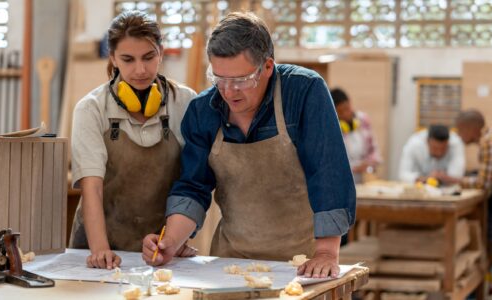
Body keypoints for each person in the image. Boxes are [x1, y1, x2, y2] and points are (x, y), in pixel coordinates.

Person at [142, 12, 356, 278]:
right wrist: (170, 242)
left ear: (267, 67)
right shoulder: (203, 111)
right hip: (232, 259)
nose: (229, 92)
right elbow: (193, 186)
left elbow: (328, 174)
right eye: (220, 79)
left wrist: (326, 254)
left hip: (303, 262)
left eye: (241, 81)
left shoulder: (303, 93)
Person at [69, 11, 197, 269]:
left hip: (157, 250)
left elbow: (192, 182)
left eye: (149, 57)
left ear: (160, 53)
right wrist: (100, 250)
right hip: (98, 244)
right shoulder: (91, 109)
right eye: (128, 59)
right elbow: (92, 187)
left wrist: (175, 238)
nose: (140, 70)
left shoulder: (185, 103)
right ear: (113, 58)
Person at [434, 109, 492, 241]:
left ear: (471, 129)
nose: (459, 135)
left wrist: (449, 179)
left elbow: (484, 184)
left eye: (460, 130)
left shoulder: (490, 143)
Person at [330, 88, 381, 183]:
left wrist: (368, 164)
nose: (346, 114)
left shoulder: (363, 119)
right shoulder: (332, 128)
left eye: (347, 108)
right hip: (343, 180)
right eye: (340, 112)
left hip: (364, 178)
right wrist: (353, 168)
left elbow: (374, 150)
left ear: (350, 103)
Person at [398, 124, 465, 184]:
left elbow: (458, 176)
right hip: (419, 190)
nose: (439, 152)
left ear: (448, 143)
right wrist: (425, 179)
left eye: (443, 148)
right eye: (435, 148)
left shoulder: (456, 144)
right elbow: (403, 175)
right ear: (427, 141)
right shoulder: (414, 144)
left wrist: (442, 176)